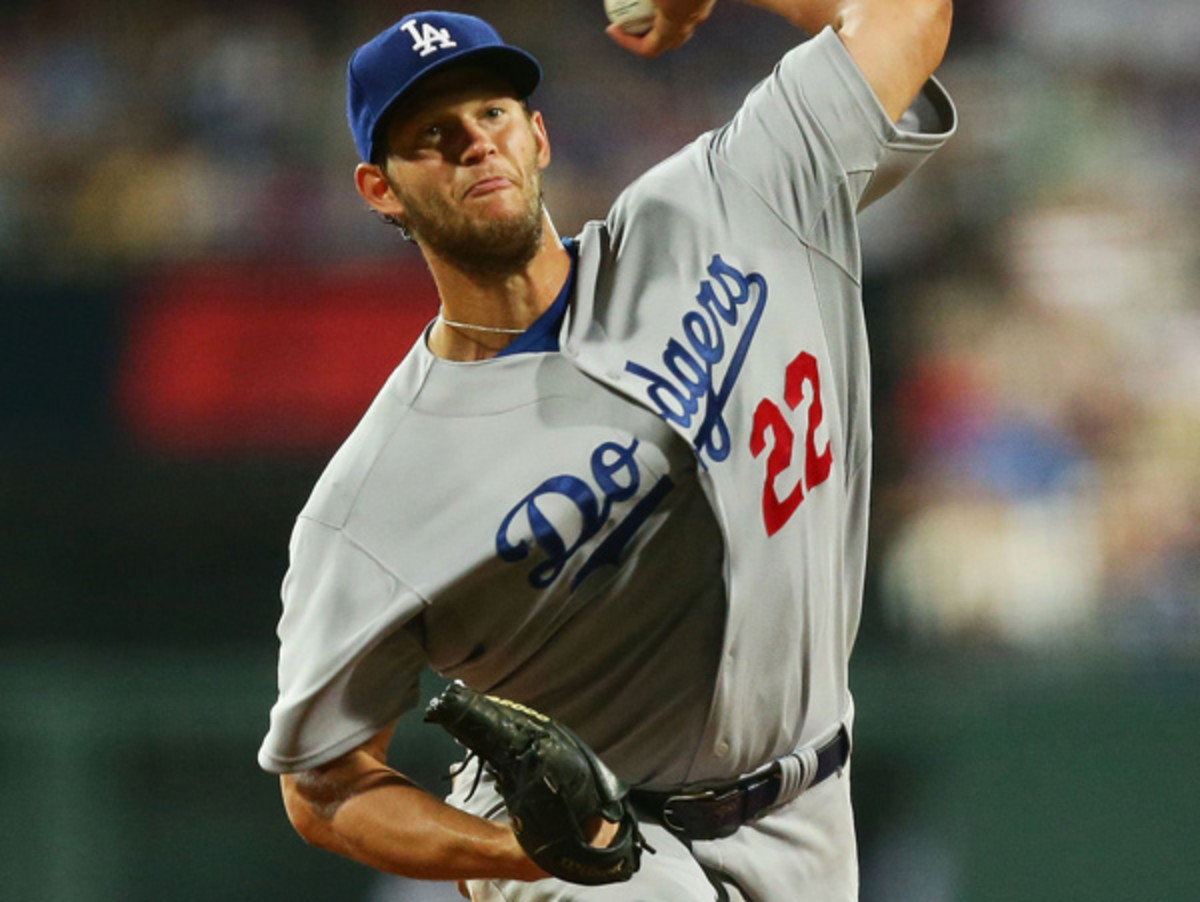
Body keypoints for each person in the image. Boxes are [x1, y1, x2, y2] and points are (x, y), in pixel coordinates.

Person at [258, 1, 955, 899]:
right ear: (380, 189)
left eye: (492, 112)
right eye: (432, 134)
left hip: (812, 801)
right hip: (602, 847)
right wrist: (515, 852)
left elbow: (907, 13)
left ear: (538, 136)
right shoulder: (372, 499)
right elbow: (324, 785)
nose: (475, 143)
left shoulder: (725, 203)